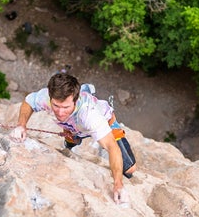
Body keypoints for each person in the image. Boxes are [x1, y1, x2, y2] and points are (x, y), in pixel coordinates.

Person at [10, 73, 137, 203]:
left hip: (104, 122)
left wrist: (118, 184)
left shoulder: (90, 115)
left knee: (129, 169)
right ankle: (70, 143)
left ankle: (82, 135)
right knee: (71, 140)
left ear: (75, 101)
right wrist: (21, 125)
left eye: (65, 107)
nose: (60, 112)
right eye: (56, 106)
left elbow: (112, 147)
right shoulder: (46, 97)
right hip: (73, 126)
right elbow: (28, 102)